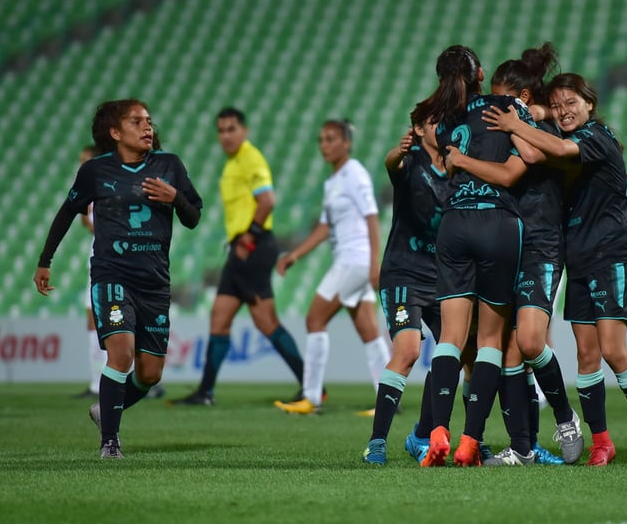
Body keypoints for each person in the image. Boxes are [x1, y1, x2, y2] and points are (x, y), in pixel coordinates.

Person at [482, 72, 627, 468]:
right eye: (560, 105)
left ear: (590, 104)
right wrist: (535, 112)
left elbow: (557, 146)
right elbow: (545, 143)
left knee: (613, 350)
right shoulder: (568, 133)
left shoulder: (595, 137)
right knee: (586, 355)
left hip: (611, 255)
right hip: (578, 259)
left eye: (572, 103)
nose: (565, 111)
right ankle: (601, 441)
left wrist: (517, 122)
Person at [34, 99, 202, 458]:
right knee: (121, 353)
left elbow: (193, 216)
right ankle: (110, 442)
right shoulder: (95, 171)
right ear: (115, 132)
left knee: (151, 373)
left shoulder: (170, 165)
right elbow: (67, 213)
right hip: (112, 275)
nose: (147, 127)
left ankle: (106, 410)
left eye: (149, 121)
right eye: (136, 121)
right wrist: (45, 260)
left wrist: (175, 199)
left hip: (155, 282)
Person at [445, 44, 584, 466]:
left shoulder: (540, 131)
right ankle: (522, 447)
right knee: (504, 349)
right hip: (506, 237)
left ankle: (564, 416)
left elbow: (526, 158)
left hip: (540, 240)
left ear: (520, 99)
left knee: (527, 341)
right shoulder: (510, 124)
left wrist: (518, 122)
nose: (492, 112)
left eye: (502, 101)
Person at [416, 45, 530, 468]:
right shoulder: (506, 106)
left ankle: (438, 432)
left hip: (454, 225)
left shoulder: (444, 121)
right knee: (489, 341)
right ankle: (470, 440)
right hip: (497, 223)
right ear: (481, 72)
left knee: (449, 338)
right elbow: (527, 157)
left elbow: (446, 170)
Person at [168, 107, 306, 406]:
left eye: (231, 129)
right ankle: (205, 392)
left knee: (266, 322)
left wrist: (250, 235)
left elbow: (267, 201)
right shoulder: (233, 163)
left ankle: (312, 386)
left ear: (244, 130)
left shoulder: (250, 158)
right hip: (239, 249)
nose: (226, 135)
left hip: (252, 247)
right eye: (221, 130)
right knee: (219, 318)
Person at [274, 119, 391, 415]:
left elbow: (371, 218)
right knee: (368, 329)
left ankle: (311, 397)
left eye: (331, 139)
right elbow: (325, 227)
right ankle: (387, 399)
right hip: (351, 260)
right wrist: (295, 254)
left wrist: (374, 263)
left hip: (355, 260)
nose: (325, 145)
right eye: (321, 140)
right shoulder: (333, 181)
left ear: (346, 143)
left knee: (315, 318)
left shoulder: (355, 175)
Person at [362, 106, 448, 465]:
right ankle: (377, 442)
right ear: (417, 128)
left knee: (452, 354)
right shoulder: (410, 161)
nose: (441, 126)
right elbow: (390, 163)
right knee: (409, 350)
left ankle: (420, 436)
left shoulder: (458, 165)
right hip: (403, 273)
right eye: (434, 121)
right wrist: (397, 152)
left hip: (440, 275)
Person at [71, 145, 106, 400]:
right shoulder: (90, 190)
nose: (81, 165)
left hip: (111, 263)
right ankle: (96, 383)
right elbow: (89, 225)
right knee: (92, 322)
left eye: (85, 161)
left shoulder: (108, 187)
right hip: (95, 261)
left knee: (119, 323)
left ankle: (140, 380)